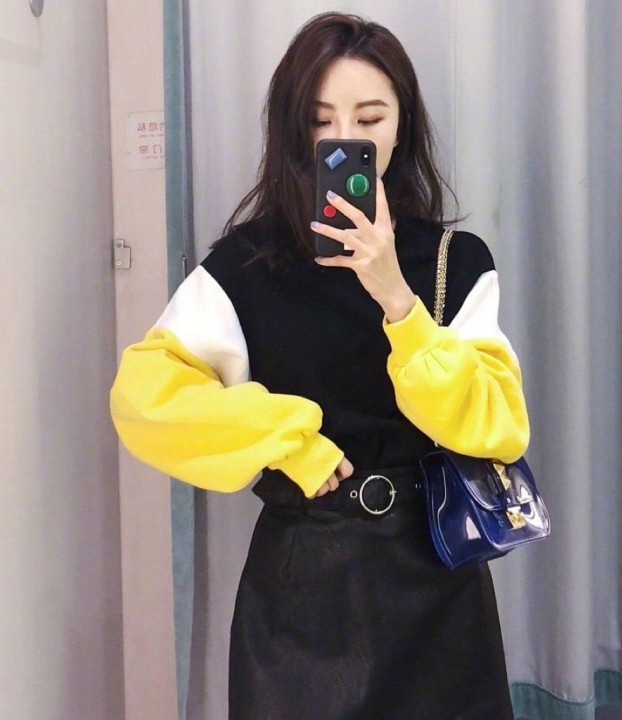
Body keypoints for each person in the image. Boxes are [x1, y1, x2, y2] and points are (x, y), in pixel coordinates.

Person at [110, 11, 529, 720]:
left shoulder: (454, 262)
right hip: (304, 587)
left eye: (369, 118)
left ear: (401, 126)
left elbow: (497, 427)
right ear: (293, 129)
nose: (344, 138)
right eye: (320, 120)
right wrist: (287, 440)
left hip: (437, 581)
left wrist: (397, 298)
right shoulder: (246, 265)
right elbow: (145, 399)